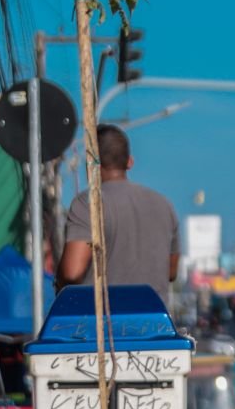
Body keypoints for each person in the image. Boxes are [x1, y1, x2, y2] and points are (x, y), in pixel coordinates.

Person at [59, 124, 180, 306]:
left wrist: (57, 281)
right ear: (129, 162)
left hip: (104, 324)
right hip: (155, 324)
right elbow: (171, 272)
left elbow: (72, 271)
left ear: (91, 163)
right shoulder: (164, 205)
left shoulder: (88, 203)